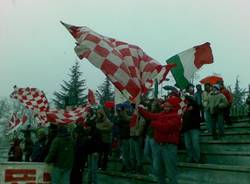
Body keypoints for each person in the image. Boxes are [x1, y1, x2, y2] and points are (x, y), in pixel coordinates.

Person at [138, 96, 182, 184]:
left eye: (167, 105)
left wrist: (153, 123)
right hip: (158, 145)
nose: (165, 107)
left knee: (171, 172)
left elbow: (165, 128)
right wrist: (139, 109)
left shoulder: (176, 116)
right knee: (159, 171)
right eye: (165, 105)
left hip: (169, 147)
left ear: (173, 106)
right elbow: (150, 115)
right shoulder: (162, 114)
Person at [182, 84, 201, 163]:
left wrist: (187, 96)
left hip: (194, 127)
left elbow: (196, 103)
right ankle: (190, 158)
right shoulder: (183, 106)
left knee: (195, 144)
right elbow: (180, 112)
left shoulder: (194, 103)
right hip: (186, 128)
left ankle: (197, 159)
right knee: (188, 145)